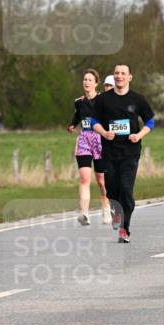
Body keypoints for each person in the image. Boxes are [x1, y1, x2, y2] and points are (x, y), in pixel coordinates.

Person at [91, 64, 155, 243]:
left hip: (130, 152)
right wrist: (104, 133)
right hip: (110, 152)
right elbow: (94, 121)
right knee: (111, 190)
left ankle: (125, 228)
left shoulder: (138, 99)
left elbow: (150, 122)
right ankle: (115, 210)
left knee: (126, 190)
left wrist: (138, 135)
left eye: (123, 73)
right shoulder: (103, 100)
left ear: (130, 77)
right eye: (116, 73)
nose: (119, 76)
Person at [67, 69, 112, 225]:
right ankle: (84, 213)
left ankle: (106, 209)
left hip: (100, 140)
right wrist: (73, 125)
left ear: (96, 83)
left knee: (101, 180)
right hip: (84, 139)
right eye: (85, 79)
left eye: (90, 80)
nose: (86, 82)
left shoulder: (103, 100)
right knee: (85, 178)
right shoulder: (79, 102)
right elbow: (78, 116)